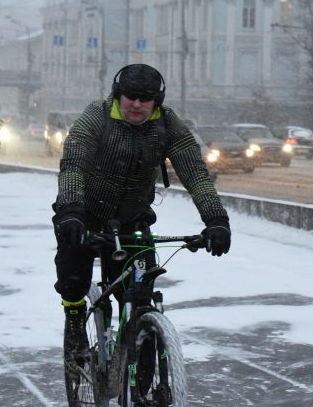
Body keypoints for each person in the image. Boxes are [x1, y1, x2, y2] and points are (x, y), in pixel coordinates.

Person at [52, 63, 231, 356]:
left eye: (144, 99)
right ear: (118, 95)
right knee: (73, 277)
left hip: (132, 219)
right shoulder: (96, 115)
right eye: (130, 97)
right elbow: (73, 164)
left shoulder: (168, 124)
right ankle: (74, 321)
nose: (136, 104)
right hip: (84, 214)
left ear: (156, 102)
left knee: (137, 293)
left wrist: (216, 220)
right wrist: (71, 209)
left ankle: (141, 361)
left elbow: (196, 174)